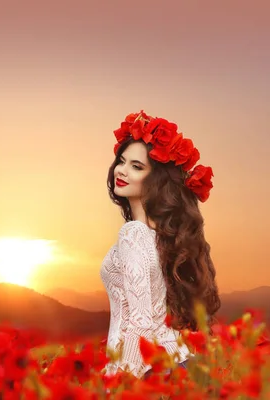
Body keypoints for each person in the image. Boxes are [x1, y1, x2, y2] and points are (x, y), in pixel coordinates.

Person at [100, 110, 221, 379]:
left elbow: (140, 322)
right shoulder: (162, 237)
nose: (122, 170)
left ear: (157, 181)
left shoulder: (133, 234)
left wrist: (120, 382)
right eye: (122, 161)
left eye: (137, 166)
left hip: (152, 371)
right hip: (179, 363)